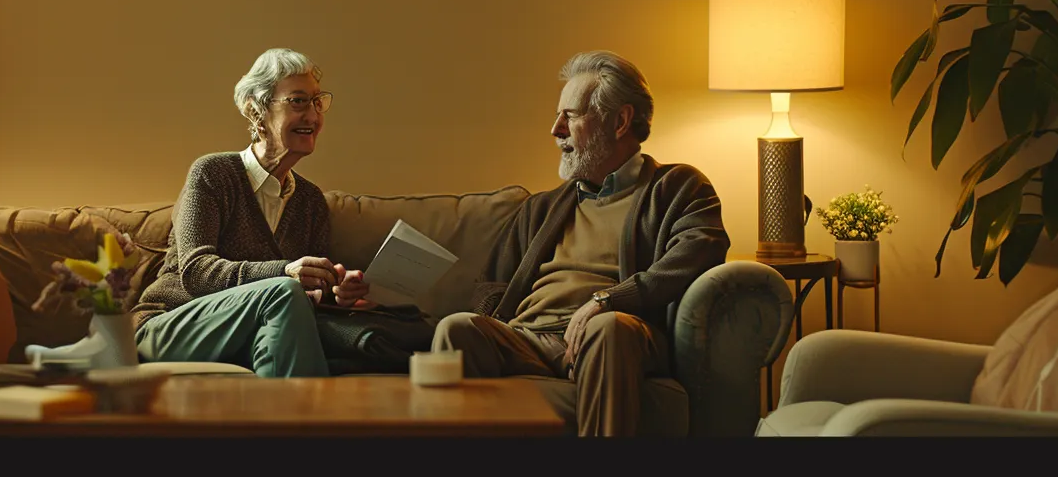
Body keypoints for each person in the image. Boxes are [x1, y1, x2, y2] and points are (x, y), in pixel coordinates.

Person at [432, 50, 732, 437]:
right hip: (529, 339)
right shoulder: (541, 208)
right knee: (458, 329)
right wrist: (494, 319)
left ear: (620, 121)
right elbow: (491, 283)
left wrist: (608, 300)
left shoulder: (676, 187)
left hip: (613, 335)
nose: (556, 129)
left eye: (570, 116)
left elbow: (699, 252)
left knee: (609, 329)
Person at [129, 48, 372, 377]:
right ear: (257, 112)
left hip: (253, 329)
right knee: (282, 292)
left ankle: (295, 424)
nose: (313, 116)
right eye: (298, 101)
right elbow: (196, 271)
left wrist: (336, 292)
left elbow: (307, 294)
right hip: (170, 324)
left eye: (317, 102)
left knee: (291, 314)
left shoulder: (311, 201)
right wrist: (285, 272)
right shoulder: (213, 174)